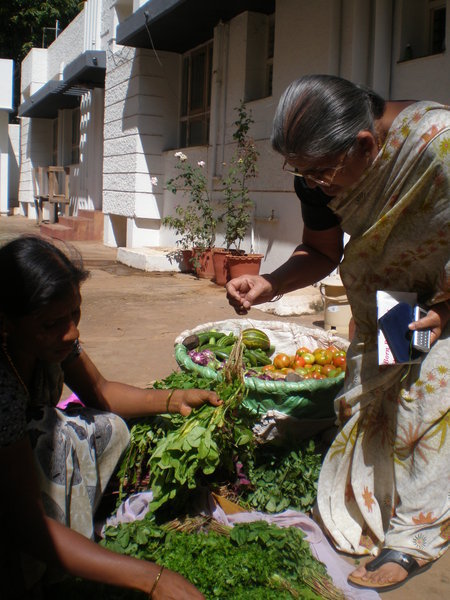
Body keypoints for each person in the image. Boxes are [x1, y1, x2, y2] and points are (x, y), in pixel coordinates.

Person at [226, 74, 449, 592]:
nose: (315, 184)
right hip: (396, 303)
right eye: (303, 173)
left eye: (322, 173)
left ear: (364, 145)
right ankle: (390, 504)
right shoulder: (320, 171)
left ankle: (413, 539)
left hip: (440, 300)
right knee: (379, 401)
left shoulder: (436, 146)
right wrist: (270, 283)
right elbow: (323, 251)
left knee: (422, 403)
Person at [0, 235, 221, 599]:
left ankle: (71, 547)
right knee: (52, 438)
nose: (72, 332)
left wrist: (174, 399)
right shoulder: (3, 387)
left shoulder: (55, 342)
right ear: (6, 322)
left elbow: (100, 391)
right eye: (52, 323)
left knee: (107, 427)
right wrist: (153, 578)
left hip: (23, 466)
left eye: (75, 314)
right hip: (14, 500)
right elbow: (28, 522)